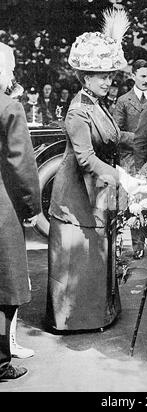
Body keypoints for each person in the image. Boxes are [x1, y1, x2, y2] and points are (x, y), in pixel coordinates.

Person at [46, 10, 144, 332]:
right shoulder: (78, 110)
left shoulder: (99, 103)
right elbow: (86, 159)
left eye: (109, 75)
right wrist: (123, 177)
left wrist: (144, 144)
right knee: (80, 256)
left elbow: (114, 137)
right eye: (101, 76)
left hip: (96, 192)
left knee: (97, 252)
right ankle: (73, 321)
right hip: (75, 195)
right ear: (85, 77)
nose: (109, 81)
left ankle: (99, 314)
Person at [0, 42, 41, 381]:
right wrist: (31, 207)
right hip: (2, 206)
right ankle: (1, 361)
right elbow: (22, 165)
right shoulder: (9, 107)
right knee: (5, 283)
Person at [114, 59, 147, 259]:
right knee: (135, 201)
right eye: (142, 76)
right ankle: (138, 245)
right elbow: (115, 132)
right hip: (131, 158)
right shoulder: (123, 101)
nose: (146, 80)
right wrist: (138, 140)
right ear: (133, 76)